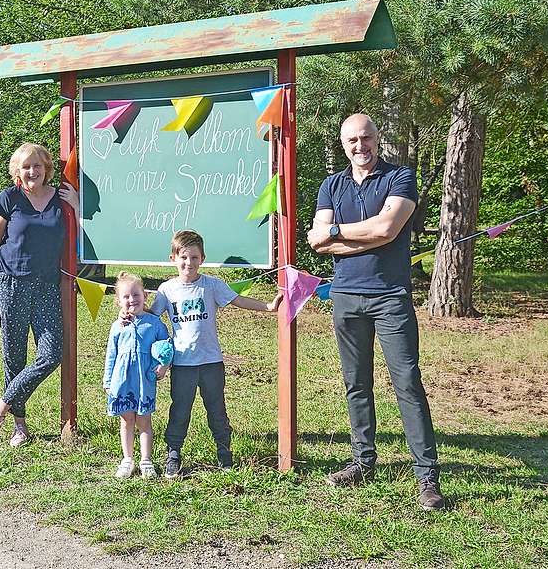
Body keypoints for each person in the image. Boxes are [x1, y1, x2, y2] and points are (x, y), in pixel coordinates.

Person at [307, 113, 446, 511]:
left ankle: (426, 477)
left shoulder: (399, 177)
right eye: (351, 140)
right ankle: (362, 462)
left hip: (390, 297)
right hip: (345, 296)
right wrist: (355, 235)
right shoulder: (331, 185)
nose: (359, 146)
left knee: (407, 384)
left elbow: (386, 229)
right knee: (356, 383)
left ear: (377, 137)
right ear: (342, 143)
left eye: (366, 137)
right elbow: (317, 243)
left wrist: (336, 232)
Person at [149, 230, 281, 478]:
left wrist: (268, 307)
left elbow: (238, 300)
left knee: (217, 409)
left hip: (211, 362)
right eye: (184, 257)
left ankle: (224, 452)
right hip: (182, 364)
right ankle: (173, 454)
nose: (189, 263)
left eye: (195, 257)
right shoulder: (166, 290)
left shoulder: (211, 285)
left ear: (203, 258)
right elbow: (152, 319)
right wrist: (131, 313)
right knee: (180, 410)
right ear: (173, 258)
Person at [0, 143, 77, 446]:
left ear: (47, 168)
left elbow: (88, 233)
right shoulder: (8, 198)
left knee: (51, 354)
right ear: (17, 172)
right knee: (14, 356)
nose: (32, 171)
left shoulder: (60, 200)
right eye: (26, 167)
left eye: (37, 166)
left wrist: (77, 205)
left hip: (47, 285)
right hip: (10, 284)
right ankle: (19, 427)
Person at [103, 271, 171, 479]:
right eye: (126, 296)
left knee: (144, 421)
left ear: (144, 296)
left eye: (136, 295)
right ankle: (127, 459)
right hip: (122, 381)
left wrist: (163, 366)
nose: (132, 299)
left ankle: (146, 460)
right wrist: (107, 381)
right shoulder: (117, 327)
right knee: (126, 420)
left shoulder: (155, 324)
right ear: (118, 301)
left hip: (145, 380)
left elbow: (166, 348)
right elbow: (111, 355)